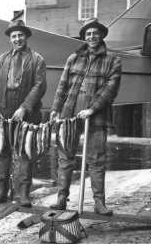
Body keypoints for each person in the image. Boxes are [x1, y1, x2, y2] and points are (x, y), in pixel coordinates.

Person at [49, 18, 122, 216]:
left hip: (96, 116)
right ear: (84, 36)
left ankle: (99, 203)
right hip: (69, 114)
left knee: (96, 160)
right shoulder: (73, 58)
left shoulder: (113, 60)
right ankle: (61, 199)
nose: (92, 37)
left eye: (95, 33)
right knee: (65, 158)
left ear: (102, 35)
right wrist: (56, 109)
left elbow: (111, 89)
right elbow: (62, 86)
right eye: (88, 34)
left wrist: (92, 108)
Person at [0, 19, 47, 207]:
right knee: (2, 150)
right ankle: (1, 191)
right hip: (3, 110)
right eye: (14, 36)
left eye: (20, 35)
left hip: (27, 112)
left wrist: (24, 107)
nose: (17, 39)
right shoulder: (1, 59)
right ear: (10, 39)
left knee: (24, 152)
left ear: (26, 36)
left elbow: (39, 86)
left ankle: (23, 194)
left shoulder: (37, 59)